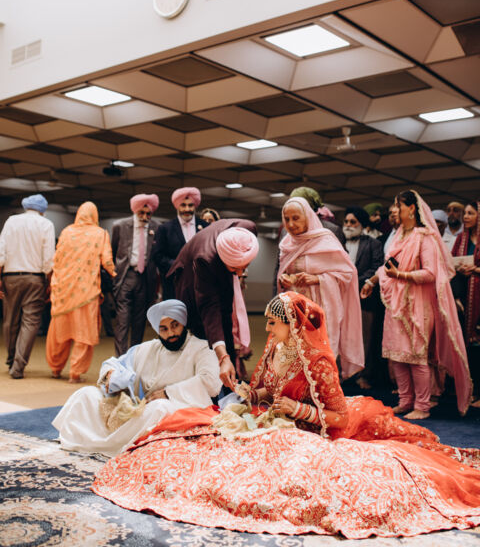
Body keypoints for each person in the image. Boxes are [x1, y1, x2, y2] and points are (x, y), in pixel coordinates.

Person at [92, 292, 480, 538]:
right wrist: (250, 392)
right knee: (206, 442)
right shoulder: (275, 349)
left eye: (273, 323)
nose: (267, 329)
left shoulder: (318, 361)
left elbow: (338, 416)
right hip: (273, 421)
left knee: (280, 469)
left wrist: (297, 409)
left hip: (312, 430)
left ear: (292, 325)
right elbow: (266, 390)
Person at [52, 299, 221, 457]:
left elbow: (211, 382)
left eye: (175, 326)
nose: (171, 333)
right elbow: (113, 364)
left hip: (177, 408)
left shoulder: (201, 348)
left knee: (159, 407)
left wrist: (169, 393)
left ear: (183, 323)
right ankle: (90, 442)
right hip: (140, 410)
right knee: (86, 394)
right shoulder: (148, 349)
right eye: (163, 329)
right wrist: (110, 375)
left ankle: (117, 447)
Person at [361, 190, 471, 419]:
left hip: (417, 305)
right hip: (395, 305)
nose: (394, 210)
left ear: (411, 208)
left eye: (398, 205)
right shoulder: (399, 235)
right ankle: (405, 401)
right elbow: (387, 266)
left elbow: (431, 273)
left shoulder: (425, 237)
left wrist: (401, 276)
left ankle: (422, 406)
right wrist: (371, 282)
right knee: (398, 356)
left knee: (416, 357)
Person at [278, 196, 363, 379]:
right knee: (295, 359)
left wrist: (317, 279)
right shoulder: (287, 244)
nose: (291, 224)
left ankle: (322, 394)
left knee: (318, 361)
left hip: (319, 311)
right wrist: (284, 279)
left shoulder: (325, 240)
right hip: (294, 312)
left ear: (308, 217)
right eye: (287, 219)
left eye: (296, 218)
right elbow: (285, 272)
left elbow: (348, 273)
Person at [168, 219, 258, 390]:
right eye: (235, 269)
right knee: (203, 331)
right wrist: (222, 356)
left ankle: (230, 383)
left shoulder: (247, 231)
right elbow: (210, 309)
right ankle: (209, 386)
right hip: (189, 278)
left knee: (226, 321)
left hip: (218, 268)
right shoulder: (205, 260)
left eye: (244, 266)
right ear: (223, 260)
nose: (240, 274)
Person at [46, 202, 116, 383]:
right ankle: (75, 374)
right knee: (83, 334)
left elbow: (56, 259)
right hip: (87, 293)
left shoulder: (66, 232)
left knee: (60, 333)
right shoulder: (100, 234)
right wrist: (115, 274)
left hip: (63, 291)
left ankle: (55, 369)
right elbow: (107, 261)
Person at [0, 194, 55, 379]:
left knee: (10, 320)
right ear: (43, 210)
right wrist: (49, 282)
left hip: (10, 277)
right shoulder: (46, 224)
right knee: (30, 322)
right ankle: (18, 366)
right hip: (35, 278)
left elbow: (1, 252)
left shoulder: (11, 221)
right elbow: (49, 259)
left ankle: (11, 359)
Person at [111, 193, 160, 356]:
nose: (145, 217)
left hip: (145, 278)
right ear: (135, 210)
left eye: (148, 214)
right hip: (125, 276)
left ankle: (134, 358)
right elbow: (113, 252)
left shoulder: (156, 227)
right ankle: (120, 359)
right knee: (122, 321)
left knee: (139, 322)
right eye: (141, 213)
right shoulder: (120, 226)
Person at [342, 206, 384, 388]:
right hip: (341, 299)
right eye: (346, 221)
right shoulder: (338, 243)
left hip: (364, 299)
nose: (348, 225)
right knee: (342, 337)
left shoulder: (373, 244)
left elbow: (376, 268)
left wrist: (353, 282)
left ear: (362, 224)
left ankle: (363, 376)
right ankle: (341, 373)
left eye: (353, 222)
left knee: (365, 338)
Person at [153, 187, 208, 300]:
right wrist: (178, 266)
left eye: (190, 205)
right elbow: (158, 256)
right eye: (183, 205)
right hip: (173, 284)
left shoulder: (206, 227)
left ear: (195, 206)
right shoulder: (165, 229)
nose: (187, 209)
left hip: (200, 284)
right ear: (177, 206)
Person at [452, 200, 480, 407]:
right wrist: (459, 268)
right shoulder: (461, 239)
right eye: (466, 214)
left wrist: (476, 270)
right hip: (464, 297)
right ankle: (470, 390)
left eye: (471, 213)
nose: (466, 217)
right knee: (468, 346)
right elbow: (450, 262)